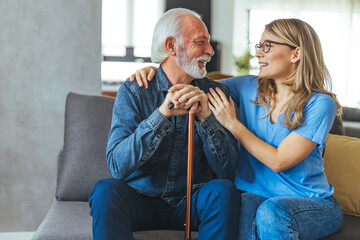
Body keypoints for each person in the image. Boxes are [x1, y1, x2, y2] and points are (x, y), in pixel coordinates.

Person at [129, 18, 344, 239]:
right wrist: (156, 71)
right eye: (259, 46)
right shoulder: (248, 88)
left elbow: (279, 161)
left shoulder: (320, 104)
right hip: (255, 195)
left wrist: (232, 123)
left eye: (267, 46)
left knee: (272, 213)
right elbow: (194, 81)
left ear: (295, 54)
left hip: (311, 203)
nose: (259, 54)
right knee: (238, 205)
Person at [88, 8, 241, 240]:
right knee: (104, 191)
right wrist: (162, 114)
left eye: (208, 43)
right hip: (141, 199)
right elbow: (117, 166)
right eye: (200, 43)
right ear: (171, 47)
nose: (210, 51)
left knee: (224, 192)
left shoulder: (217, 92)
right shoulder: (134, 91)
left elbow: (227, 168)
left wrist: (206, 117)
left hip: (192, 202)